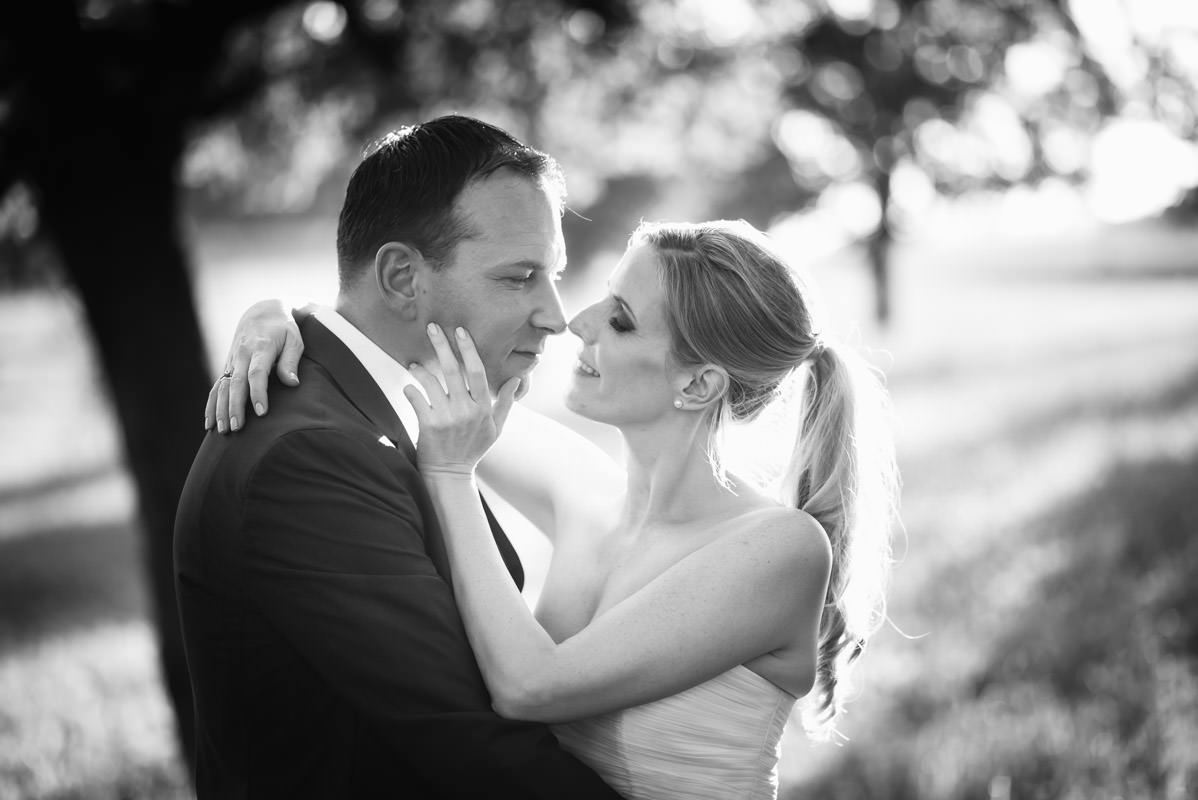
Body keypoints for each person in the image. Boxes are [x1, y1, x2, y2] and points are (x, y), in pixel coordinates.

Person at [211, 217, 900, 799]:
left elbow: (530, 689)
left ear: (698, 383)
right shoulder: (586, 489)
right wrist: (283, 314)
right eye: (604, 297)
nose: (577, 322)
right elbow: (399, 370)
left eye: (621, 321)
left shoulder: (778, 548)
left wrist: (451, 473)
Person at [174, 115, 624, 799]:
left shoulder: (413, 410)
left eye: (553, 274)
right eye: (520, 277)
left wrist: (287, 310)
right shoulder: (311, 459)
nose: (557, 315)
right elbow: (473, 751)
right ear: (401, 276)